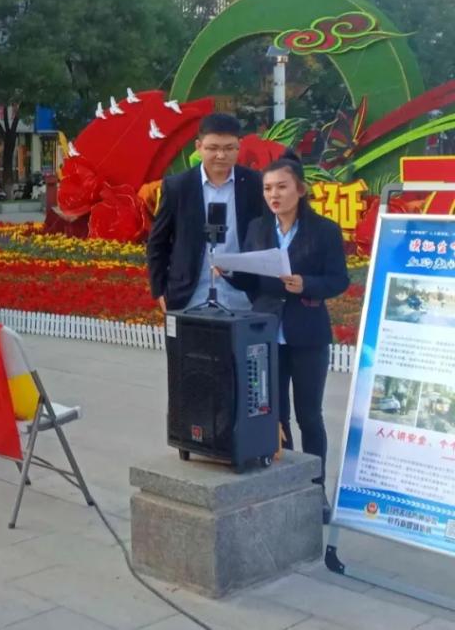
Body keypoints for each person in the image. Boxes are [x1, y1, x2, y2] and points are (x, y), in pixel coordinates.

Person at [222, 153, 349, 524]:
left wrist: (306, 284)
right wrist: (228, 270)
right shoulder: (258, 229)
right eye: (267, 188)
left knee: (310, 415)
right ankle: (286, 482)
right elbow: (251, 280)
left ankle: (315, 487)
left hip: (308, 334)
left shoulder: (323, 230)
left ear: (300, 189)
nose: (273, 195)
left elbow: (339, 280)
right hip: (265, 335)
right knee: (275, 415)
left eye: (281, 187)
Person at [146, 113, 264, 312]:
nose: (221, 155)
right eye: (213, 148)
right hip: (189, 297)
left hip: (243, 297)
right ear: (199, 146)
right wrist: (159, 292)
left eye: (229, 148)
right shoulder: (178, 187)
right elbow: (158, 242)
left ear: (239, 146)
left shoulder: (255, 184)